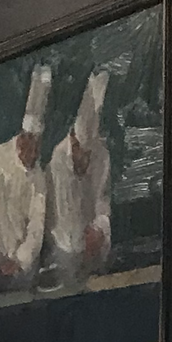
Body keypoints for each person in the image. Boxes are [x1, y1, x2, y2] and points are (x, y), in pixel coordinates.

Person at [0, 63, 52, 286]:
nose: (34, 155)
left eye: (37, 150)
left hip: (25, 265)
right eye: (31, 149)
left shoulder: (39, 178)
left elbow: (37, 226)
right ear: (22, 141)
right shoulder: (1, 157)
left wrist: (19, 261)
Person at [48, 68, 113, 285]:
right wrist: (80, 244)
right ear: (73, 141)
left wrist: (99, 229)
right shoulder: (58, 159)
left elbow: (102, 201)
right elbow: (62, 217)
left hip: (93, 245)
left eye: (88, 154)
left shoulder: (101, 155)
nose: (85, 159)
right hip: (64, 247)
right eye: (81, 152)